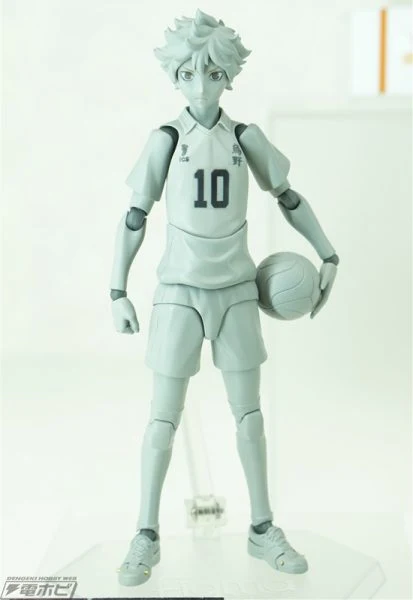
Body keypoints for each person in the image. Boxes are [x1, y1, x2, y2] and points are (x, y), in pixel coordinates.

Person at [110, 9, 338, 586]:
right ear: (175, 75)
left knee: (250, 417)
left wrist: (328, 254)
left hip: (237, 289)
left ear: (229, 75)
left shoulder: (245, 137)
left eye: (213, 73)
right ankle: (145, 533)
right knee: (162, 419)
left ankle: (262, 528)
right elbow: (135, 214)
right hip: (178, 292)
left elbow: (287, 196)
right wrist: (117, 289)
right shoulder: (166, 139)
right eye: (188, 73)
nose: (200, 85)